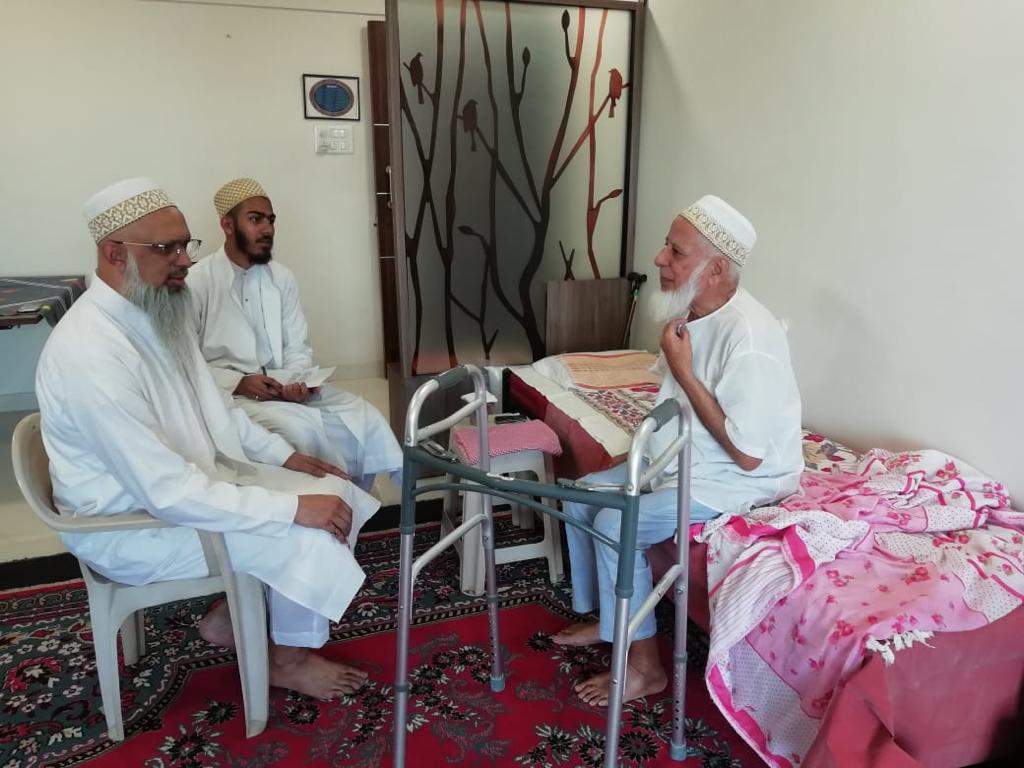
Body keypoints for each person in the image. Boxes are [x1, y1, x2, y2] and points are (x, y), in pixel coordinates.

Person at [36, 177, 382, 700]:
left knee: (334, 492)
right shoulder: (90, 354)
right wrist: (291, 509)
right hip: (132, 526)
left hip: (182, 487)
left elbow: (214, 409)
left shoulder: (155, 310)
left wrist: (286, 457)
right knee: (310, 530)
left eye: (185, 245)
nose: (185, 261)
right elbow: (165, 491)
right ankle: (286, 660)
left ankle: (230, 616)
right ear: (114, 253)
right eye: (167, 248)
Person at [553, 195, 803, 706]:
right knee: (580, 495)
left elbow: (748, 456)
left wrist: (683, 369)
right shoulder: (693, 311)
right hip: (684, 459)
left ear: (715, 269)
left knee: (616, 524)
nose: (659, 258)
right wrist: (642, 456)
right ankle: (611, 621)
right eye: (666, 246)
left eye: (676, 251)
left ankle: (646, 668)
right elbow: (674, 405)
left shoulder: (749, 337)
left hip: (737, 480)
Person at [187, 178, 402, 492]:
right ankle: (324, 500)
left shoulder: (282, 277)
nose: (267, 229)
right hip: (231, 395)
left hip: (283, 387)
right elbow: (186, 362)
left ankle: (357, 499)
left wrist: (297, 381)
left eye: (270, 220)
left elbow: (298, 345)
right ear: (227, 225)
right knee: (302, 431)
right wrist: (239, 382)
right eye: (255, 219)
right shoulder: (197, 282)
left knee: (364, 415)